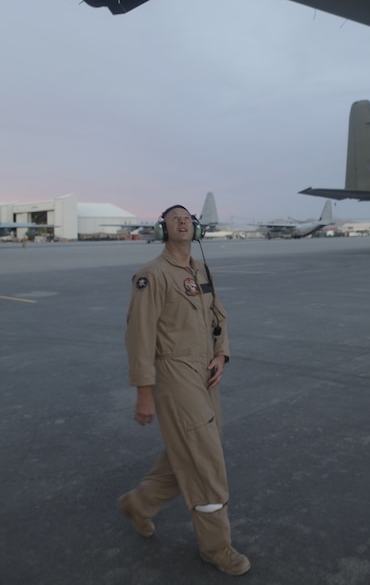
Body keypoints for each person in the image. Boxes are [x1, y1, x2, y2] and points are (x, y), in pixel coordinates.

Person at [118, 204, 250, 576]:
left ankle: (139, 503)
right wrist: (144, 392)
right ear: (163, 229)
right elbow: (139, 336)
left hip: (205, 372)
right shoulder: (152, 275)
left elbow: (217, 316)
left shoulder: (200, 269)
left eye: (188, 218)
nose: (182, 221)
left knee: (192, 450)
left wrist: (221, 354)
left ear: (197, 228)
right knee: (205, 459)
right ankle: (216, 546)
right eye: (174, 218)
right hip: (173, 374)